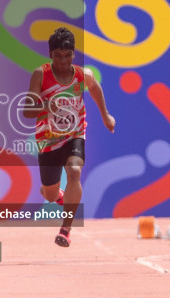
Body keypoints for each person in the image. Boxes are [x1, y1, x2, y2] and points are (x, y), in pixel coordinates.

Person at [22, 26, 116, 248]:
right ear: (50, 55)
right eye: (58, 56)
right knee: (50, 193)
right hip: (47, 140)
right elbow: (27, 111)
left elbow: (95, 88)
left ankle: (66, 229)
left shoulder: (83, 75)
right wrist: (46, 105)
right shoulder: (41, 75)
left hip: (75, 134)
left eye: (67, 55)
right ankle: (55, 194)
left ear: (73, 54)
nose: (63, 61)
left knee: (74, 171)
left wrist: (105, 115)